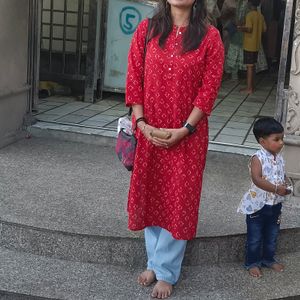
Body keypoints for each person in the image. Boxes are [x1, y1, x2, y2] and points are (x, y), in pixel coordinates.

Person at [125, 0, 224, 298]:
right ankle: (154, 261)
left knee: (178, 198)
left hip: (187, 136)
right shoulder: (147, 30)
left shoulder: (210, 37)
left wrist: (185, 129)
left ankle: (167, 270)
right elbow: (134, 78)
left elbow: (209, 89)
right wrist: (141, 123)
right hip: (150, 130)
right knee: (151, 192)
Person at [237, 117, 292, 278]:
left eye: (282, 138)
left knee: (272, 235)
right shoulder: (257, 158)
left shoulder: (279, 157)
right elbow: (257, 179)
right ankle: (252, 262)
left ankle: (268, 259)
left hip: (275, 206)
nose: (281, 142)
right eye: (276, 139)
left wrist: (287, 185)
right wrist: (276, 189)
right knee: (255, 237)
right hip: (258, 206)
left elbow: (282, 175)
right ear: (262, 141)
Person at [223, 0, 268, 81]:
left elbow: (247, 27)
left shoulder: (249, 12)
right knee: (251, 63)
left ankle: (248, 85)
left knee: (248, 63)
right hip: (252, 40)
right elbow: (264, 29)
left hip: (246, 38)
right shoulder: (259, 14)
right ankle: (249, 82)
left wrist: (240, 26)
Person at [237, 0, 266, 93]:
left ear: (249, 4)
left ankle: (249, 88)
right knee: (252, 66)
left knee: (249, 66)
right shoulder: (260, 16)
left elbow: (249, 29)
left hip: (249, 44)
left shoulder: (249, 15)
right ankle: (252, 86)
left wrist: (241, 28)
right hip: (257, 45)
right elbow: (265, 29)